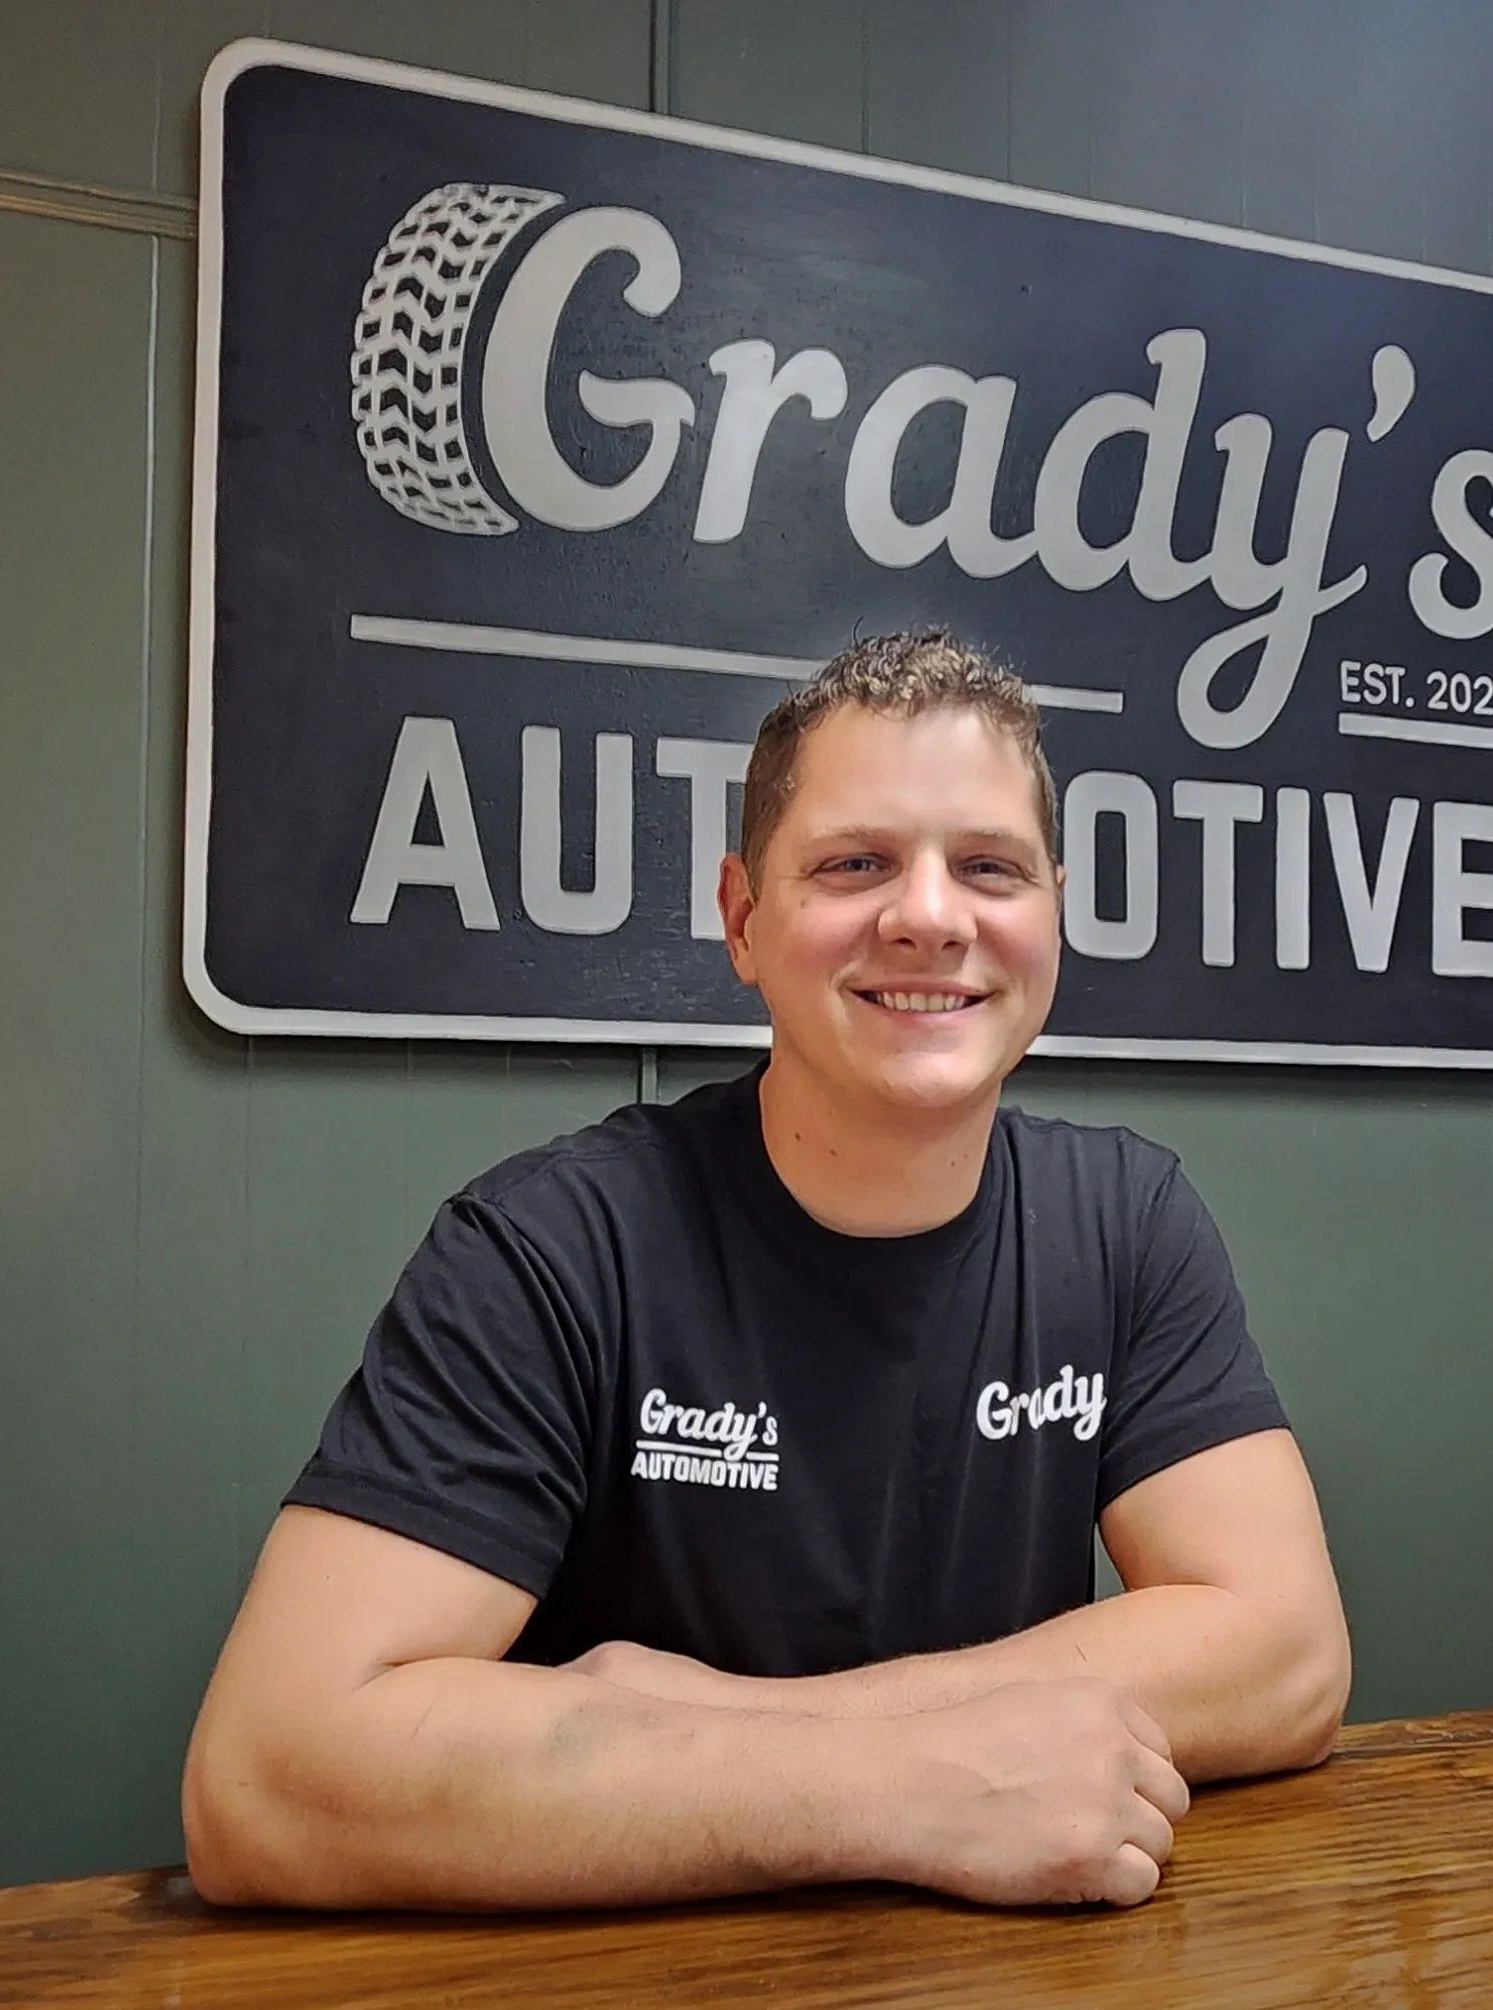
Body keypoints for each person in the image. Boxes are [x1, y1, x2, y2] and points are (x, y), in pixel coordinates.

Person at [181, 630, 1350, 1915]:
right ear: (743, 918)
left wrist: (774, 1726)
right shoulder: (554, 1246)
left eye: (987, 867)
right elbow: (267, 1774)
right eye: (855, 864)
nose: (927, 914)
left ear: (1052, 914)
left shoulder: (1125, 1217)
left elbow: (1286, 1651)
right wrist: (891, 1784)